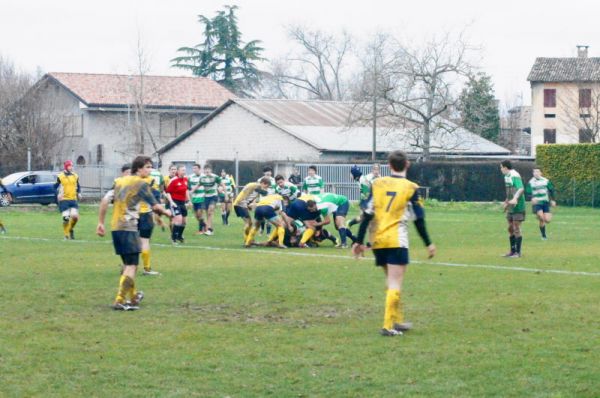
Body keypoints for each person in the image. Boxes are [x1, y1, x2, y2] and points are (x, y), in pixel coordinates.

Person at [352, 150, 436, 337]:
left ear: (389, 165)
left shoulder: (377, 183)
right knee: (395, 283)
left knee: (390, 282)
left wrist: (358, 241)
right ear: (407, 164)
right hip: (397, 240)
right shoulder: (411, 187)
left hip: (378, 240)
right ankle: (388, 325)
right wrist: (428, 243)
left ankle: (396, 320)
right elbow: (419, 219)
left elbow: (366, 213)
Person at [96, 155, 171, 310]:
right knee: (132, 266)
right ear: (139, 168)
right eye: (147, 167)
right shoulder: (141, 184)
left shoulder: (118, 181)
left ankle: (134, 296)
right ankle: (120, 300)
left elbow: (105, 201)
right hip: (128, 227)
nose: (150, 170)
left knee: (127, 265)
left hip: (115, 227)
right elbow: (156, 206)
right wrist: (170, 214)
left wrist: (100, 223)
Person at [232, 178, 271, 244]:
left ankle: (249, 240)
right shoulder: (253, 185)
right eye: (266, 186)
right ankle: (247, 240)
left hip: (242, 205)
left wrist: (248, 204)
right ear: (263, 183)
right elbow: (244, 193)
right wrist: (242, 203)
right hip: (240, 204)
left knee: (249, 223)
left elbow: (255, 195)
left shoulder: (257, 188)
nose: (266, 188)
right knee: (248, 223)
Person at [501, 160, 526, 258]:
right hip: (511, 206)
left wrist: (515, 198)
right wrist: (506, 201)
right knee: (510, 228)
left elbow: (521, 188)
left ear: (505, 168)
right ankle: (512, 251)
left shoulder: (514, 175)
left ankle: (518, 253)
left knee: (516, 228)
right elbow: (510, 191)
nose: (501, 169)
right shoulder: (506, 176)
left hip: (518, 206)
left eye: (501, 167)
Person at [54, 160, 81, 240]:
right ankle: (66, 235)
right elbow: (54, 187)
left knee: (75, 217)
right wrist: (58, 194)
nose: (71, 167)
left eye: (72, 166)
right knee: (66, 218)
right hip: (64, 200)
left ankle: (70, 229)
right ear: (66, 166)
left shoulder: (75, 176)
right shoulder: (60, 176)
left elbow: (78, 186)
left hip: (73, 199)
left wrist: (79, 193)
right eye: (70, 166)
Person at [526, 167, 556, 240]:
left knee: (547, 220)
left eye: (537, 172)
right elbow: (527, 192)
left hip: (545, 202)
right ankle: (544, 236)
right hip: (537, 203)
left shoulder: (545, 181)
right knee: (541, 217)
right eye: (534, 172)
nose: (536, 173)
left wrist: (553, 200)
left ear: (541, 173)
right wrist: (532, 198)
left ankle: (541, 218)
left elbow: (552, 190)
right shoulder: (531, 182)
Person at [165, 165, 190, 244]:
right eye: (182, 170)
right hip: (175, 202)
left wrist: (189, 200)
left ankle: (179, 236)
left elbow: (186, 190)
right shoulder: (173, 180)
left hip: (182, 202)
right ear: (178, 171)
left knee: (184, 221)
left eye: (184, 170)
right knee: (178, 219)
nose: (184, 171)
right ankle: (173, 238)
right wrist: (171, 202)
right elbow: (168, 192)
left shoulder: (186, 179)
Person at [200, 164, 223, 236]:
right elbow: (198, 184)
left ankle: (209, 229)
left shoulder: (215, 177)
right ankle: (210, 229)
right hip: (206, 197)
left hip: (214, 196)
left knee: (210, 211)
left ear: (211, 170)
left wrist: (224, 193)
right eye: (205, 169)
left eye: (208, 169)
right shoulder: (202, 178)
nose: (207, 171)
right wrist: (191, 192)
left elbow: (222, 185)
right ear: (204, 170)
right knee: (208, 214)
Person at [188, 164, 206, 234]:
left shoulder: (203, 177)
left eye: (195, 168)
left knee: (199, 213)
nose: (194, 170)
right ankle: (205, 226)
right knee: (196, 216)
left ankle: (201, 230)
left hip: (201, 198)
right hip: (194, 198)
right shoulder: (190, 177)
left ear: (199, 169)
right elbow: (188, 187)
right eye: (193, 168)